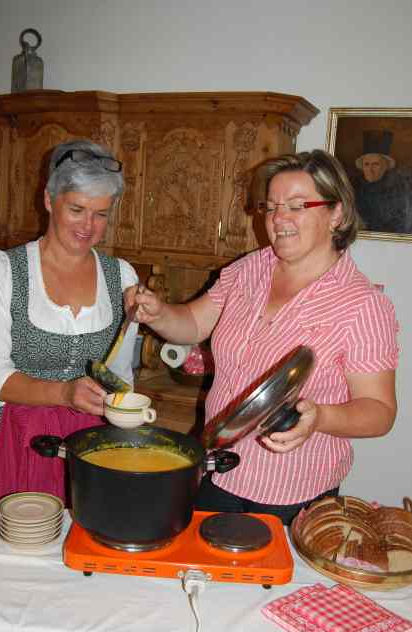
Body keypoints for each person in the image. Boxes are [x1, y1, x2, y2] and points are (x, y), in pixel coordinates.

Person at [126, 149, 399, 526]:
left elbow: (379, 412)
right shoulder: (249, 269)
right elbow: (193, 323)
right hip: (218, 470)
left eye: (297, 206)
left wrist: (320, 417)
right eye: (270, 207)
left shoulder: (362, 305)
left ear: (336, 214)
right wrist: (159, 313)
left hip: (293, 493)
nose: (278, 219)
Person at [0, 139, 139, 503]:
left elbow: (119, 373)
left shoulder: (121, 276)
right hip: (15, 437)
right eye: (76, 209)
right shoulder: (1, 270)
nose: (88, 225)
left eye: (101, 214)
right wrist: (63, 393)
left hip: (91, 442)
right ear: (48, 199)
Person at [354, 129, 412, 234]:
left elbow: (403, 227)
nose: (370, 170)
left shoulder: (398, 189)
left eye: (375, 164)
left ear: (386, 166)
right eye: (366, 164)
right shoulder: (356, 189)